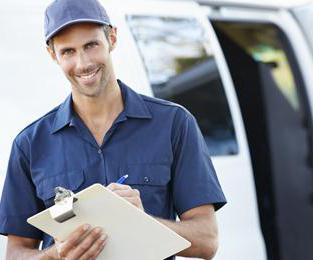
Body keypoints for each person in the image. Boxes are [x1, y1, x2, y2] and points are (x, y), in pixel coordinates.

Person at [0, 0, 226, 259]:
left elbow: (207, 240)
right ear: (53, 55)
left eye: (91, 45)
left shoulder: (174, 124)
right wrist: (55, 255)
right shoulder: (30, 144)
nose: (83, 63)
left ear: (112, 38)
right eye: (68, 52)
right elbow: (16, 254)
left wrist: (143, 222)